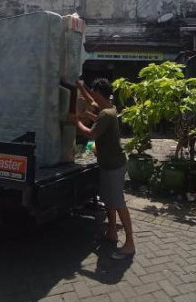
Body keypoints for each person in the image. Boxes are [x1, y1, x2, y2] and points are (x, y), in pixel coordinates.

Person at [76, 78, 135, 260]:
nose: (92, 96)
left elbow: (92, 133)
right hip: (109, 164)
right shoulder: (109, 109)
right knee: (109, 201)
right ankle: (112, 232)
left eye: (94, 92)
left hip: (114, 166)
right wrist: (81, 86)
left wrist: (76, 121)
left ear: (99, 93)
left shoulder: (106, 114)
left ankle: (130, 243)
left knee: (118, 203)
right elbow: (95, 110)